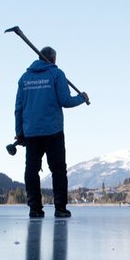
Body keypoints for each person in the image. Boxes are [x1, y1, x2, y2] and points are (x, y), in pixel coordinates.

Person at [14, 46, 88, 218]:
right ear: (53, 59)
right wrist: (82, 98)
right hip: (53, 131)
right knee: (58, 170)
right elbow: (65, 101)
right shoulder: (56, 74)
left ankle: (34, 209)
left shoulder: (24, 78)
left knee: (31, 170)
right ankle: (60, 208)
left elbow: (18, 107)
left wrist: (19, 132)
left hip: (31, 132)